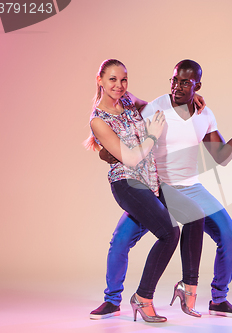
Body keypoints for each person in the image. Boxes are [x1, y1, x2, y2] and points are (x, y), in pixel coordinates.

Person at [92, 59, 232, 319]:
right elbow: (124, 137)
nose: (177, 87)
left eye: (185, 83)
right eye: (174, 80)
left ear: (197, 86)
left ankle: (218, 299)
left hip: (191, 188)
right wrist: (107, 154)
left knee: (229, 235)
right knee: (121, 240)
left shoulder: (205, 114)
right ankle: (112, 300)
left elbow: (222, 156)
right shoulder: (154, 108)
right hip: (158, 187)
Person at [86, 59, 205, 323]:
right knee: (164, 234)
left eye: (123, 79)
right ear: (100, 80)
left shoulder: (127, 100)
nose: (119, 85)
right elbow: (129, 159)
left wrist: (192, 96)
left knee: (195, 215)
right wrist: (151, 136)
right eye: (112, 80)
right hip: (127, 183)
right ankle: (130, 299)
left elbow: (158, 105)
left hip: (151, 181)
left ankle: (188, 287)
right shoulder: (98, 120)